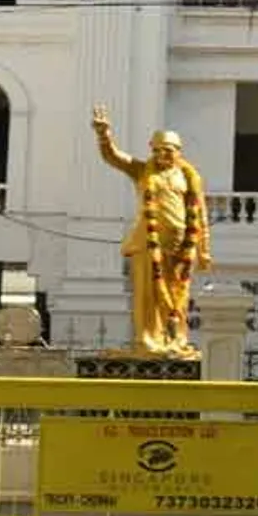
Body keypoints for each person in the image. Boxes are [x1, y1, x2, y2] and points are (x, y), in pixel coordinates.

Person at [91, 104, 212, 357]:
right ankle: (147, 340)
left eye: (167, 150)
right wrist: (104, 136)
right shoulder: (142, 171)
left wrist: (203, 250)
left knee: (178, 295)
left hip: (181, 247)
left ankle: (175, 339)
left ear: (178, 152)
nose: (161, 155)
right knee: (148, 295)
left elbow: (200, 214)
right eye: (156, 150)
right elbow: (114, 157)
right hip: (149, 244)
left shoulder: (188, 177)